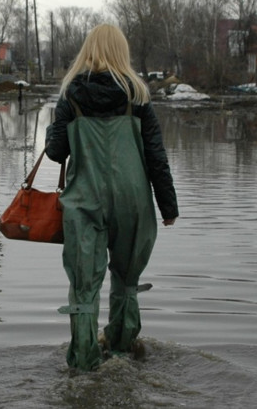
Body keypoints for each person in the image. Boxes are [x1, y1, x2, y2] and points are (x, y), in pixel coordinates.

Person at [45, 24, 178, 371]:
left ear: (87, 51)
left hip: (85, 201)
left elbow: (56, 152)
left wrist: (55, 125)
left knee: (85, 285)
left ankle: (84, 363)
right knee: (126, 279)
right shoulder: (138, 97)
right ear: (122, 52)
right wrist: (168, 206)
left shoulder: (71, 95)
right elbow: (156, 157)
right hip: (132, 201)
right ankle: (121, 352)